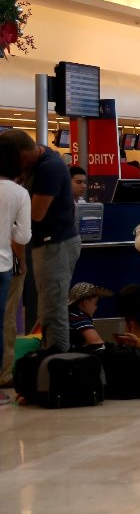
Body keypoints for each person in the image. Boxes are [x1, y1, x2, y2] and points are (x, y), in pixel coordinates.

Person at [1, 129, 81, 353]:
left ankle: (58, 362)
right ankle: (50, 356)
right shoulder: (36, 162)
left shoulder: (50, 168)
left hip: (55, 245)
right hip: (47, 244)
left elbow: (36, 214)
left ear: (22, 154)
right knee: (47, 307)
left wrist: (9, 214)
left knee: (53, 309)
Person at [0, 139, 32, 398]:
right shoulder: (18, 193)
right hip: (3, 264)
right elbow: (22, 237)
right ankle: (3, 374)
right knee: (4, 320)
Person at [67, 282, 112, 351]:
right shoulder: (79, 317)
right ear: (85, 303)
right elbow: (97, 343)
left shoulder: (69, 314)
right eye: (95, 304)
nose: (96, 307)